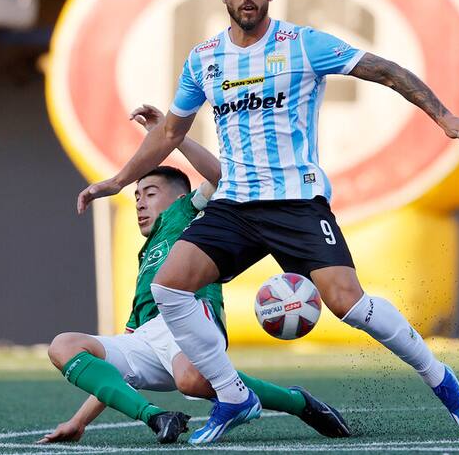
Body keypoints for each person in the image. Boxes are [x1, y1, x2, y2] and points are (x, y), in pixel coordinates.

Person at [77, 0, 459, 444]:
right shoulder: (204, 59)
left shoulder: (302, 44)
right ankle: (233, 396)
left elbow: (383, 69)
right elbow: (168, 134)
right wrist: (118, 180)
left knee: (350, 305)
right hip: (234, 206)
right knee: (169, 286)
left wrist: (444, 117)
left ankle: (438, 378)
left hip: (296, 202)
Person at [42, 105, 351, 445]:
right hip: (147, 338)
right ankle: (156, 416)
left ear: (180, 196)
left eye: (150, 193)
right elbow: (112, 378)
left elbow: (222, 178)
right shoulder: (146, 255)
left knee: (190, 380)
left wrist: (174, 138)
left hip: (189, 318)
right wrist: (78, 421)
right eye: (136, 197)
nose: (140, 204)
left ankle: (297, 402)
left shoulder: (188, 213)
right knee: (64, 345)